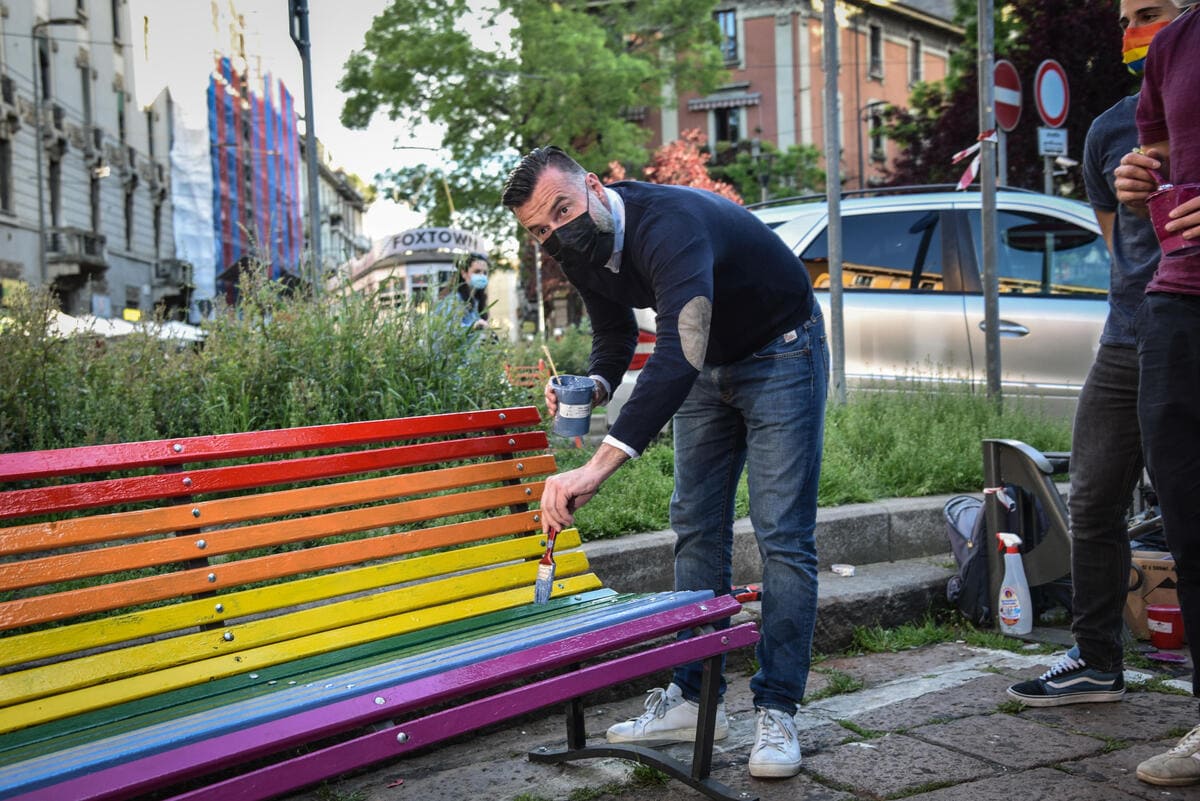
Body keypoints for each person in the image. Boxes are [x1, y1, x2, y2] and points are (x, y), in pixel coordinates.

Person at [501, 146, 827, 779]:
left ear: (593, 187)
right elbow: (617, 336)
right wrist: (593, 384)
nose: (556, 234)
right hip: (707, 364)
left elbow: (677, 353)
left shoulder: (667, 226)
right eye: (540, 230)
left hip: (782, 350)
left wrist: (595, 466)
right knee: (696, 527)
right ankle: (693, 696)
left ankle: (779, 707)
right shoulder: (580, 250)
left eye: (563, 211)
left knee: (782, 533)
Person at [1006, 0, 1181, 708]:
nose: (1135, 29)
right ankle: (1097, 659)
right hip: (1128, 338)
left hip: (1188, 336)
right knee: (1095, 496)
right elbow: (1120, 249)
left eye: (1153, 11)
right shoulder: (1110, 129)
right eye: (1125, 17)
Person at [1112, 0, 1200, 786]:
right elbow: (1160, 161)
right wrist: (1138, 178)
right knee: (1189, 519)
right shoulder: (1175, 45)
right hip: (1177, 298)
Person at [455, 252, 491, 330]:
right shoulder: (454, 300)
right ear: (464, 273)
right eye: (477, 272)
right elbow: (450, 330)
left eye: (485, 273)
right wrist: (473, 327)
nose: (482, 276)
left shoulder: (478, 300)